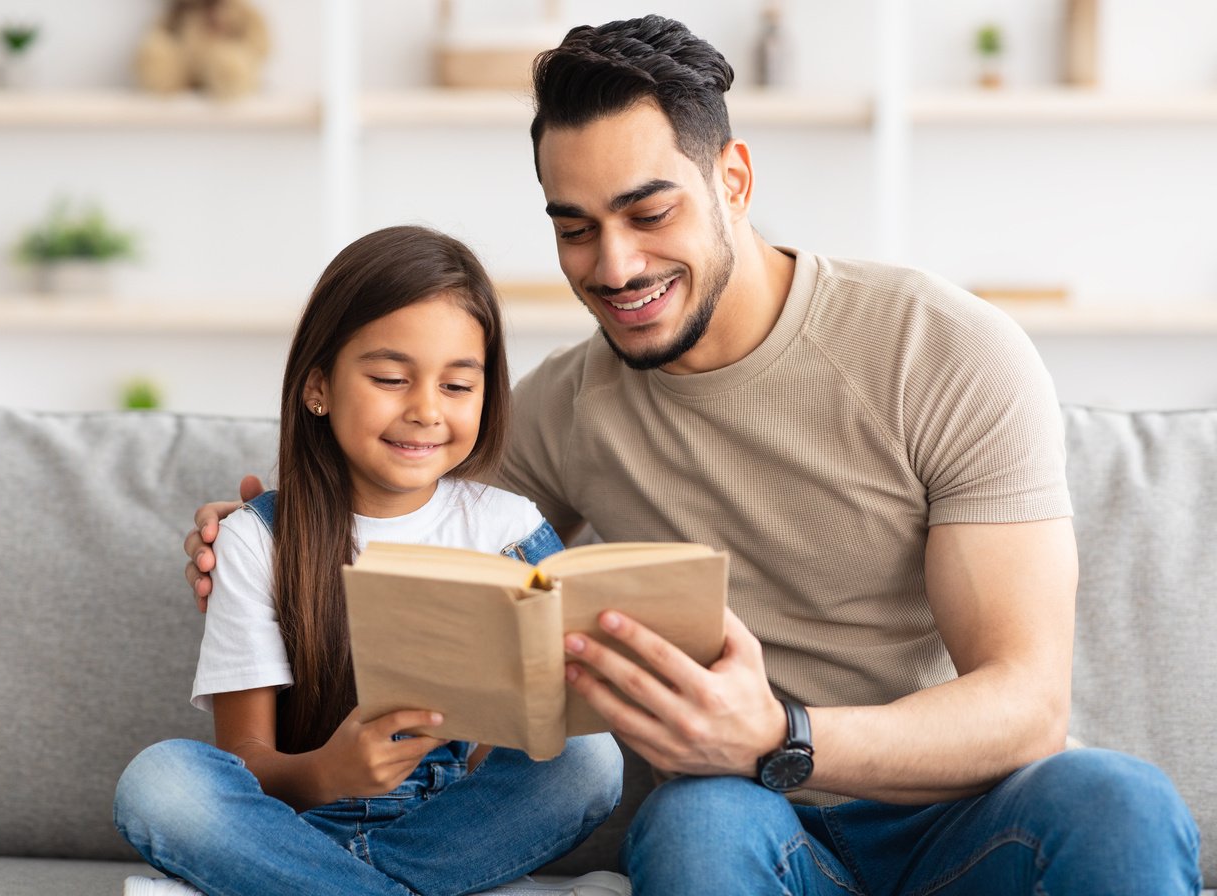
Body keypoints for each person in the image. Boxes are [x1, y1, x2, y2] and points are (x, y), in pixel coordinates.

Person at [185, 17, 1202, 896]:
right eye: (575, 228)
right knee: (695, 819)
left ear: (735, 178)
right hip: (748, 823)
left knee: (1116, 797)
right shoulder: (564, 407)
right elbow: (411, 529)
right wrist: (272, 536)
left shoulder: (940, 350)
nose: (614, 266)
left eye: (649, 211)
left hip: (968, 810)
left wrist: (777, 733)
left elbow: (1028, 697)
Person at [118, 225, 623, 896]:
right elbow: (244, 762)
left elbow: (538, 734)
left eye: (456, 386)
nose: (424, 411)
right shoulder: (257, 540)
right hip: (295, 834)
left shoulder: (508, 528)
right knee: (161, 782)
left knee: (588, 757)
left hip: (450, 834)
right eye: (390, 378)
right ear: (318, 386)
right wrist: (328, 773)